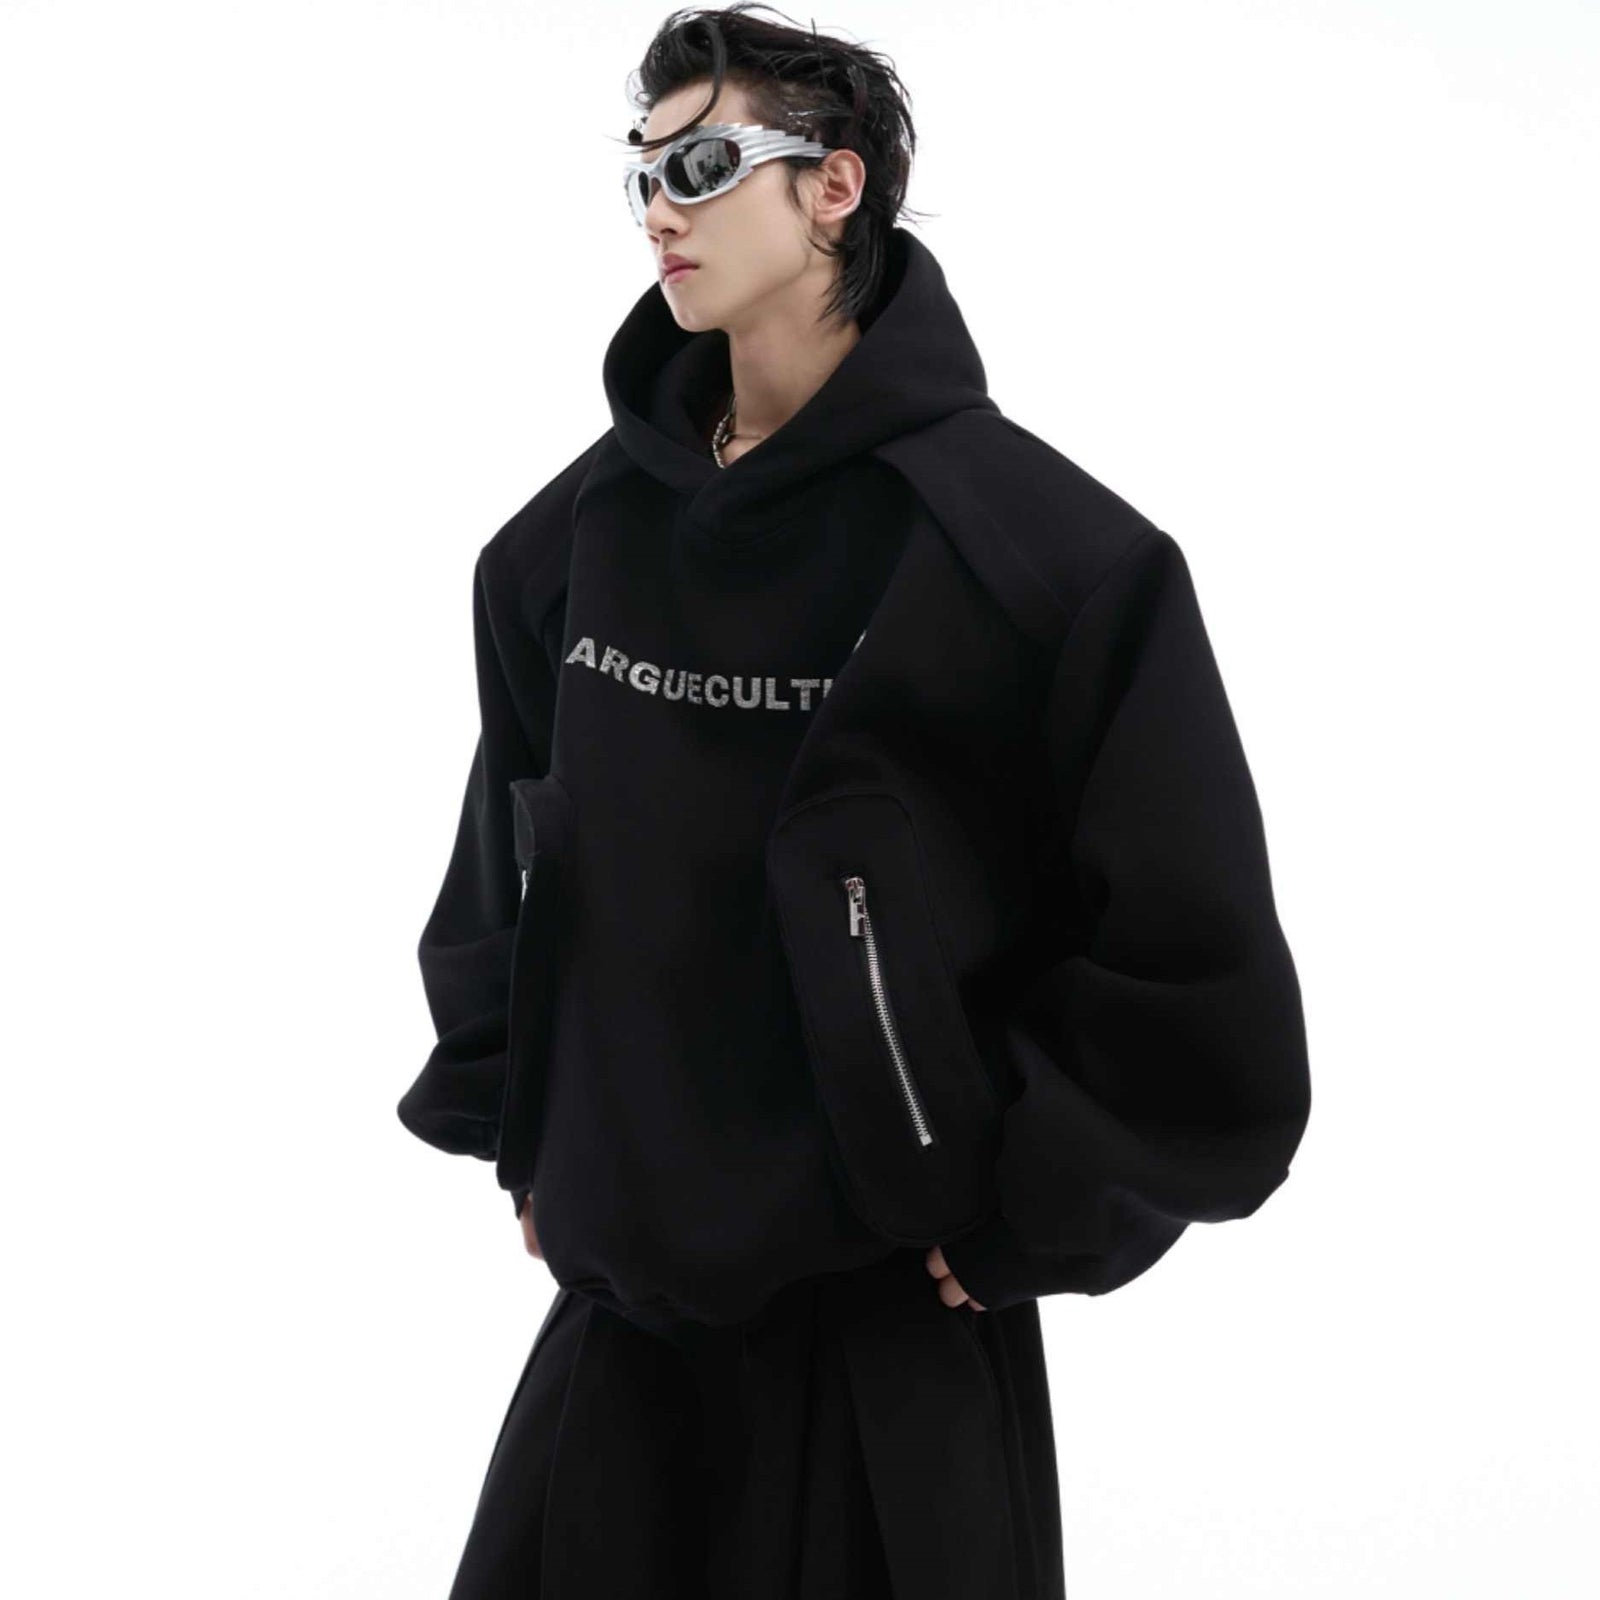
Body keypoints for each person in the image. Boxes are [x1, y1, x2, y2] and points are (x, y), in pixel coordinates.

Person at [396, 6, 1312, 1597]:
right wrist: (520, 1126)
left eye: (702, 166)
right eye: (642, 175)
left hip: (889, 1360)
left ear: (835, 185)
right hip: (619, 1341)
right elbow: (511, 862)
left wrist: (1024, 1212)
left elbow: (1199, 982)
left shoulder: (1050, 566)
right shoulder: (567, 547)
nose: (660, 209)